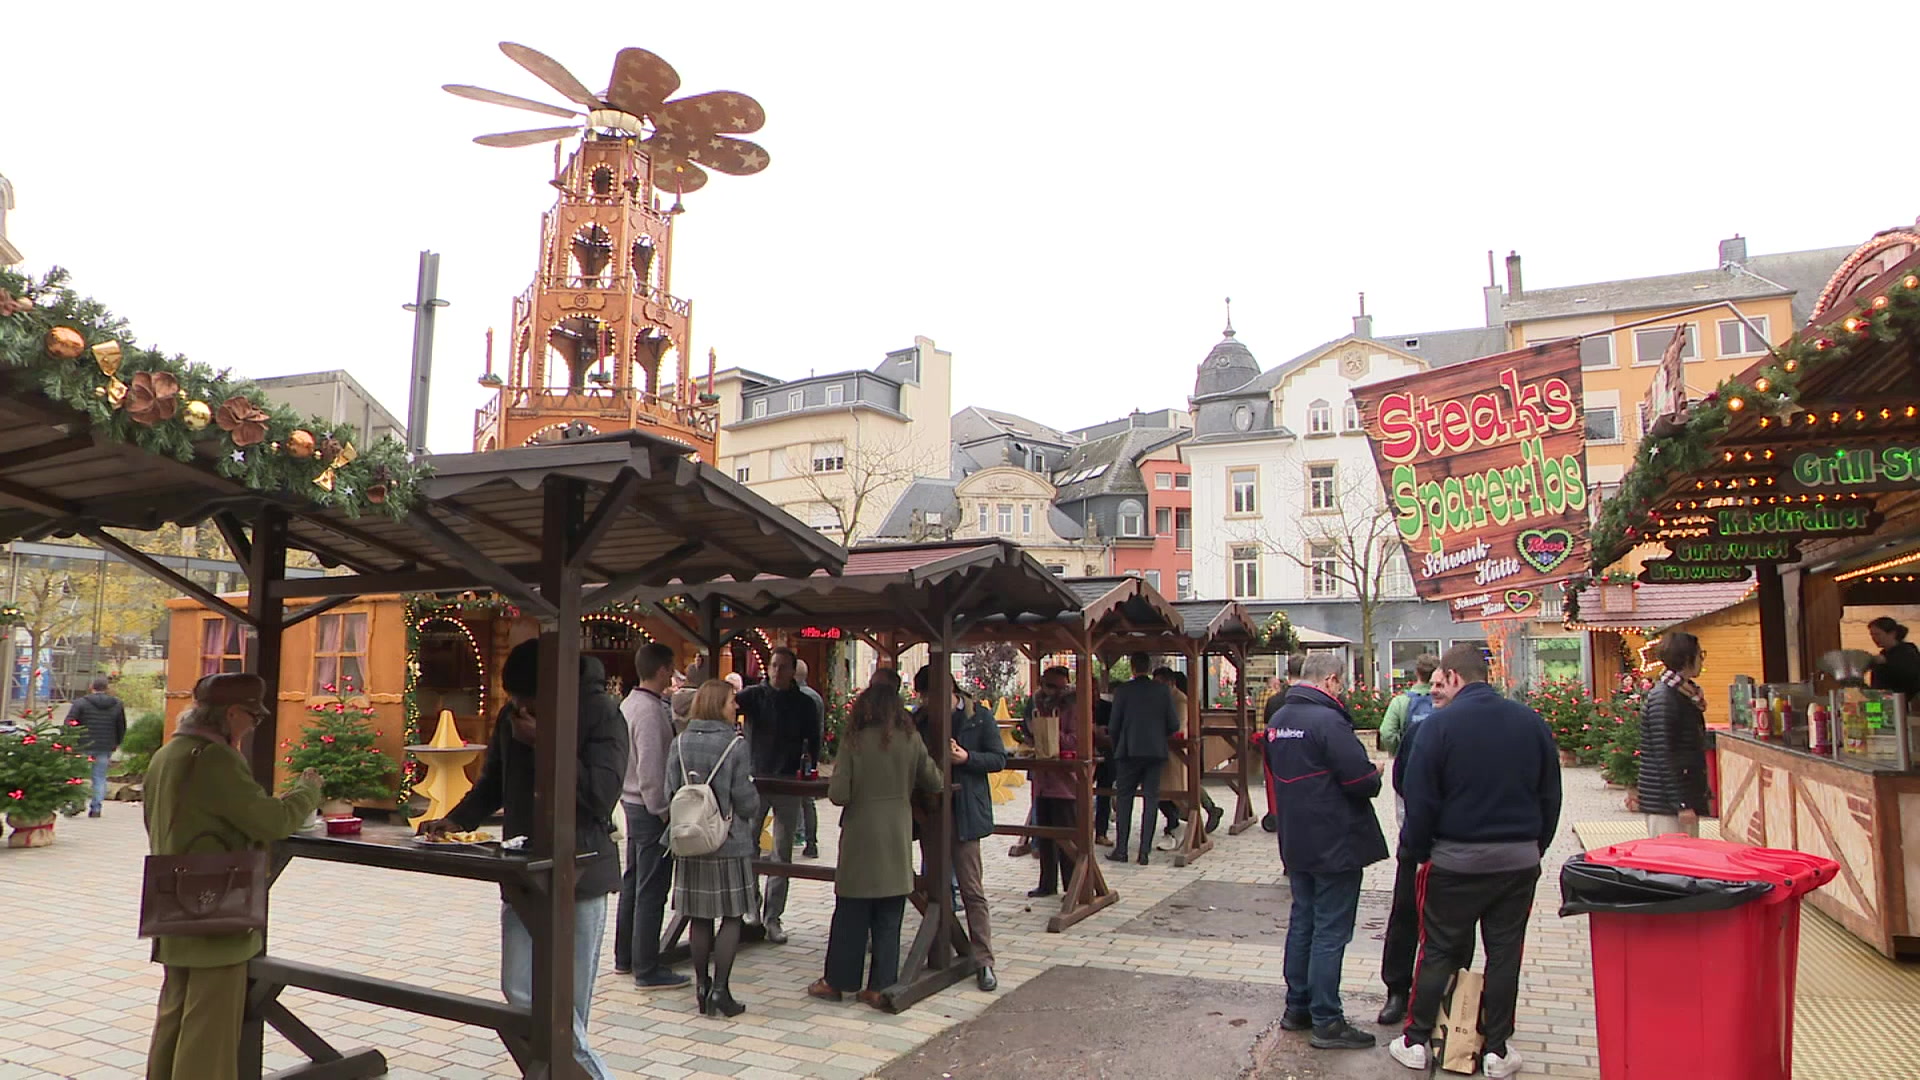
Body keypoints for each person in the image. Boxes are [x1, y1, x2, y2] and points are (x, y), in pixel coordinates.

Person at [421, 641, 627, 1080]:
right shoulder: (510, 718)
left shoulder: (601, 712)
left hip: (581, 873)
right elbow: (492, 783)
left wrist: (546, 743)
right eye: (513, 698)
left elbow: (600, 795)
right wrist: (455, 820)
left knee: (567, 1009)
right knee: (518, 990)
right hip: (522, 872)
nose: (519, 706)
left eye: (526, 697)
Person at [1387, 644, 1562, 1078]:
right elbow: (1551, 796)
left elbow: (1420, 800)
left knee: (1439, 950)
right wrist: (1535, 846)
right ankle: (1497, 1050)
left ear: (1455, 678)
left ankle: (1416, 1041)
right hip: (1517, 862)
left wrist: (1417, 851)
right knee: (1505, 954)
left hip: (1454, 862)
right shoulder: (1532, 723)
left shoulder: (1437, 728)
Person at [145, 674, 321, 1080]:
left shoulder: (168, 753)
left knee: (175, 1013)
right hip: (214, 905)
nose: (252, 726)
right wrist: (306, 792)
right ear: (232, 713)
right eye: (252, 717)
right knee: (210, 1025)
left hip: (172, 898)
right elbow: (270, 821)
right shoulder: (214, 758)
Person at [1266, 652, 1385, 1051]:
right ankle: (1327, 1019)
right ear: (1331, 680)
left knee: (1303, 921)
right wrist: (1376, 772)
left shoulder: (1279, 720)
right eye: (1341, 684)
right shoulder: (1329, 721)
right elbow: (1360, 781)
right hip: (1336, 840)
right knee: (1331, 930)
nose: (1343, 690)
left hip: (1296, 838)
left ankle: (1296, 1007)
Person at [806, 668, 943, 1006]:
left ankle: (837, 981)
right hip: (897, 833)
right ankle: (879, 986)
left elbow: (838, 794)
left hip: (860, 835)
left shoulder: (854, 742)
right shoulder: (910, 739)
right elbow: (936, 781)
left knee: (851, 912)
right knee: (889, 914)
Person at [666, 680, 760, 1018]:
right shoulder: (735, 745)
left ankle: (701, 988)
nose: (736, 706)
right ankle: (721, 990)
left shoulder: (679, 742)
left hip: (690, 842)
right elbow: (746, 803)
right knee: (732, 916)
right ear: (718, 704)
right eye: (732, 701)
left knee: (699, 916)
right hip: (728, 841)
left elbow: (669, 793)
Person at [912, 665, 1008, 991]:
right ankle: (940, 948)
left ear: (948, 691)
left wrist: (967, 758)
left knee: (971, 888)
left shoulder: (978, 716)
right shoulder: (919, 720)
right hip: (931, 813)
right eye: (922, 698)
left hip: (966, 812)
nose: (924, 703)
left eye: (928, 696)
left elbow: (998, 759)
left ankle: (983, 960)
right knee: (933, 885)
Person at [1376, 653, 1453, 1027]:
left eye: (1441, 686)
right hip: (1417, 839)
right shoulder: (1418, 726)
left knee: (1446, 923)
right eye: (1432, 685)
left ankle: (1446, 994)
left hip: (1455, 845)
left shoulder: (1466, 727)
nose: (1435, 692)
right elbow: (1401, 779)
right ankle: (1397, 991)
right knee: (1405, 914)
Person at [613, 642, 689, 988]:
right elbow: (651, 767)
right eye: (671, 669)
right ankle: (646, 966)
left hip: (631, 801)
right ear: (662, 670)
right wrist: (662, 811)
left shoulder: (629, 704)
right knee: (651, 889)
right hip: (648, 807)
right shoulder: (649, 712)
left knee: (634, 883)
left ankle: (625, 956)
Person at [735, 647, 821, 945]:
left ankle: (773, 917)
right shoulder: (754, 696)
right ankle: (751, 910)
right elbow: (727, 704)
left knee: (781, 852)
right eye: (773, 665)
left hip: (786, 780)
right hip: (755, 778)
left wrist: (809, 770)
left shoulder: (803, 703)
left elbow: (814, 739)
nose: (776, 671)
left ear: (792, 671)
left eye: (782, 666)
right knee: (747, 847)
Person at [1108, 651, 1181, 866]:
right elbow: (1174, 725)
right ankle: (1144, 853)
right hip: (1155, 751)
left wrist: (1118, 745)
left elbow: (1113, 726)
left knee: (1124, 800)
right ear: (1149, 668)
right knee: (1151, 800)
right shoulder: (1162, 691)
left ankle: (1121, 850)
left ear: (1132, 667)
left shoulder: (1123, 691)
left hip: (1128, 751)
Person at [1639, 632, 1711, 839]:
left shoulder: (1684, 693)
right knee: (1671, 863)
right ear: (1686, 658)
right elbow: (1665, 755)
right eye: (1700, 655)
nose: (1701, 660)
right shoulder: (1665, 698)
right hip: (1666, 804)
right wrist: (1682, 803)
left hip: (1677, 799)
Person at [1151, 667, 1223, 842]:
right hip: (1167, 750)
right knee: (1172, 786)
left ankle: (1197, 813)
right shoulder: (1165, 698)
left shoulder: (1180, 700)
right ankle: (1180, 817)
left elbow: (1181, 726)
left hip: (1179, 751)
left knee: (1184, 784)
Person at [1027, 666, 1079, 898]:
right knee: (1044, 835)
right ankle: (1047, 883)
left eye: (1056, 687)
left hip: (1064, 782)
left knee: (1066, 837)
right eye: (1047, 685)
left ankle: (1073, 884)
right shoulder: (1036, 704)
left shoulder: (1074, 706)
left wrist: (1051, 734)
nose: (1051, 691)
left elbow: (1076, 740)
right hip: (1042, 781)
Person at [72, 675, 126, 818]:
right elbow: (121, 726)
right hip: (105, 745)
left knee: (78, 776)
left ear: (91, 688)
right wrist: (116, 743)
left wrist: (70, 742)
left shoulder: (80, 703)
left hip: (83, 745)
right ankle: (96, 808)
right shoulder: (117, 704)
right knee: (100, 777)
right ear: (107, 688)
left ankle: (78, 802)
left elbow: (70, 723)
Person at [794, 658, 826, 860]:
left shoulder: (796, 698)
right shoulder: (816, 697)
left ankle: (794, 836)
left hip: (794, 753)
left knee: (787, 797)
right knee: (808, 800)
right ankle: (811, 842)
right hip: (809, 755)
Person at [1377, 654, 1437, 759]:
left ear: (1416, 673)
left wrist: (1398, 751)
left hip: (1409, 760)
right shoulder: (1444, 700)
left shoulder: (1400, 701)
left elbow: (1387, 733)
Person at [1868, 617, 1920, 695]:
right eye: (1872, 635)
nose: (1874, 638)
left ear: (1892, 633)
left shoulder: (1907, 652)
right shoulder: (1883, 654)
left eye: (1878, 634)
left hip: (1904, 701)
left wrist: (1887, 663)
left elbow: (1910, 675)